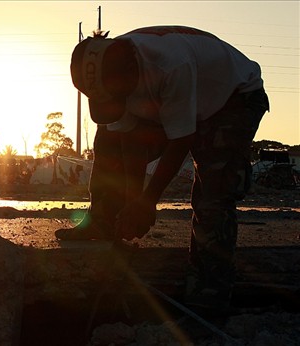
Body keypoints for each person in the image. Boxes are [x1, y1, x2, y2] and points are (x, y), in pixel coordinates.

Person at [55, 26, 269, 312]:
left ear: (133, 74)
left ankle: (209, 290)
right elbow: (128, 144)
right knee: (107, 138)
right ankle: (105, 220)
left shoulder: (170, 65)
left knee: (214, 187)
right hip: (171, 98)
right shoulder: (115, 69)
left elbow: (181, 142)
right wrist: (133, 201)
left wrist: (147, 202)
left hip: (231, 98)